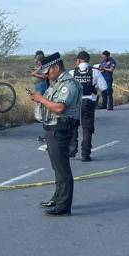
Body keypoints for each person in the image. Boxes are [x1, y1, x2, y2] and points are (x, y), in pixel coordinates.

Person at [29, 51, 82, 216]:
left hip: (61, 128)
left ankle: (64, 205)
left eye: (48, 71)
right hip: (52, 128)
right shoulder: (56, 83)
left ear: (56, 67)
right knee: (56, 167)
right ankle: (57, 198)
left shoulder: (68, 84)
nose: (46, 75)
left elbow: (59, 108)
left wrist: (40, 99)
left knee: (62, 168)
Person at [68, 51, 107, 162]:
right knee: (87, 129)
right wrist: (95, 91)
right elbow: (104, 87)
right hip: (89, 102)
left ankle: (71, 151)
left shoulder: (71, 73)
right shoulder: (95, 72)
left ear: (79, 60)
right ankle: (85, 154)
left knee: (73, 127)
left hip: (75, 103)